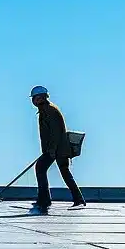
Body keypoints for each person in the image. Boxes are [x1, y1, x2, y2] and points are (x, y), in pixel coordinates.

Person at [30, 86, 85, 214]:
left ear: (42, 97)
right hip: (55, 149)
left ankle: (44, 200)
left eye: (35, 98)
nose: (33, 100)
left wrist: (51, 150)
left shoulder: (49, 111)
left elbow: (55, 132)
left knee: (41, 168)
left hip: (57, 149)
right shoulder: (45, 110)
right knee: (64, 172)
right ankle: (78, 199)